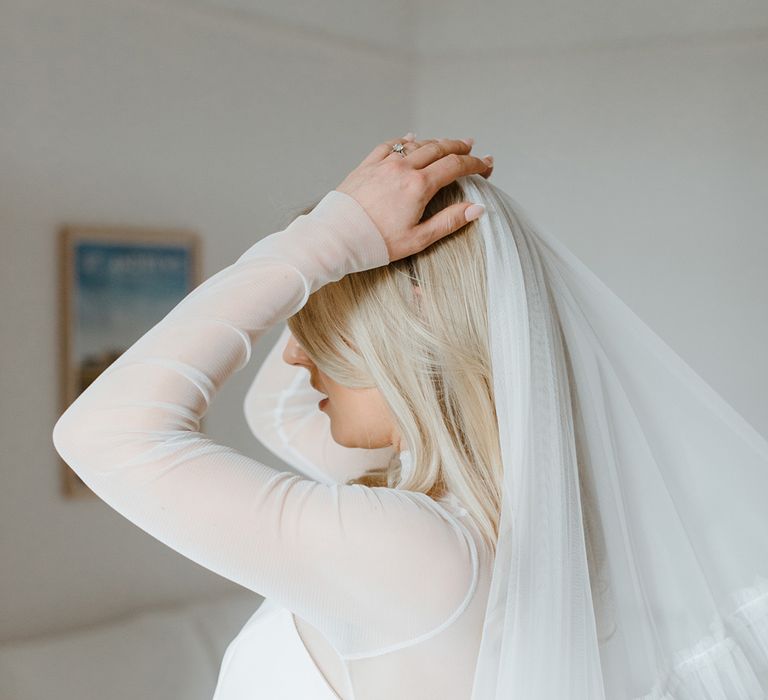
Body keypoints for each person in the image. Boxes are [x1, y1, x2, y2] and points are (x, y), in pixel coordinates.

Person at [52, 135, 498, 700]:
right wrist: (348, 237)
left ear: (410, 337)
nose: (293, 353)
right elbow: (277, 412)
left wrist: (333, 238)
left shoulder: (419, 546)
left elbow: (102, 431)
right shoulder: (476, 520)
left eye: (329, 329)